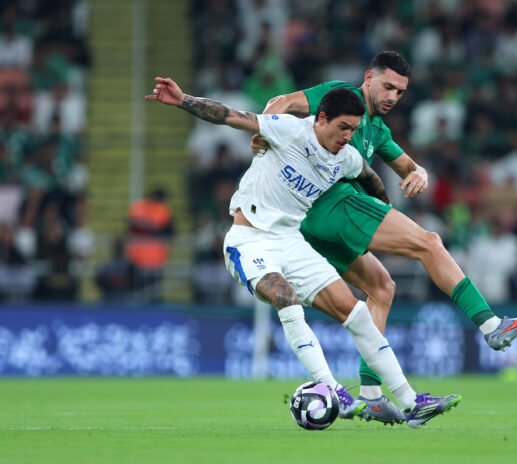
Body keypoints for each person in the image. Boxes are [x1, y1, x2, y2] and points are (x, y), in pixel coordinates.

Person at [146, 77, 461, 428]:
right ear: (321, 118)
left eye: (353, 129)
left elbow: (370, 177)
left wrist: (380, 211)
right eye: (343, 127)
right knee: (286, 297)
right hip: (249, 240)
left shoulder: (347, 158)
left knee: (357, 314)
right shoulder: (289, 130)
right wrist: (183, 100)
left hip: (291, 242)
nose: (347, 136)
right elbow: (229, 115)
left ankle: (411, 402)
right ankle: (332, 388)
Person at [252, 51, 517, 423]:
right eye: (387, 86)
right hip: (334, 203)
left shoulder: (378, 131)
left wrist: (419, 173)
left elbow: (407, 166)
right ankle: (491, 325)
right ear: (368, 78)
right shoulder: (342, 95)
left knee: (382, 288)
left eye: (400, 92)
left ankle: (372, 394)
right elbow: (281, 102)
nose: (392, 96)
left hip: (314, 224)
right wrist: (263, 134)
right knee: (429, 243)